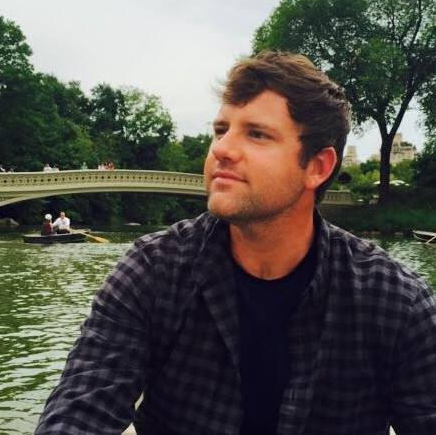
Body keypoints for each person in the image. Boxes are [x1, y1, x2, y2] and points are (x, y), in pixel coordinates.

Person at [35, 52, 436, 434]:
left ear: (317, 166)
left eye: (257, 134)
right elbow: (77, 413)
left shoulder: (395, 301)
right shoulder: (153, 271)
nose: (222, 149)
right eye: (221, 130)